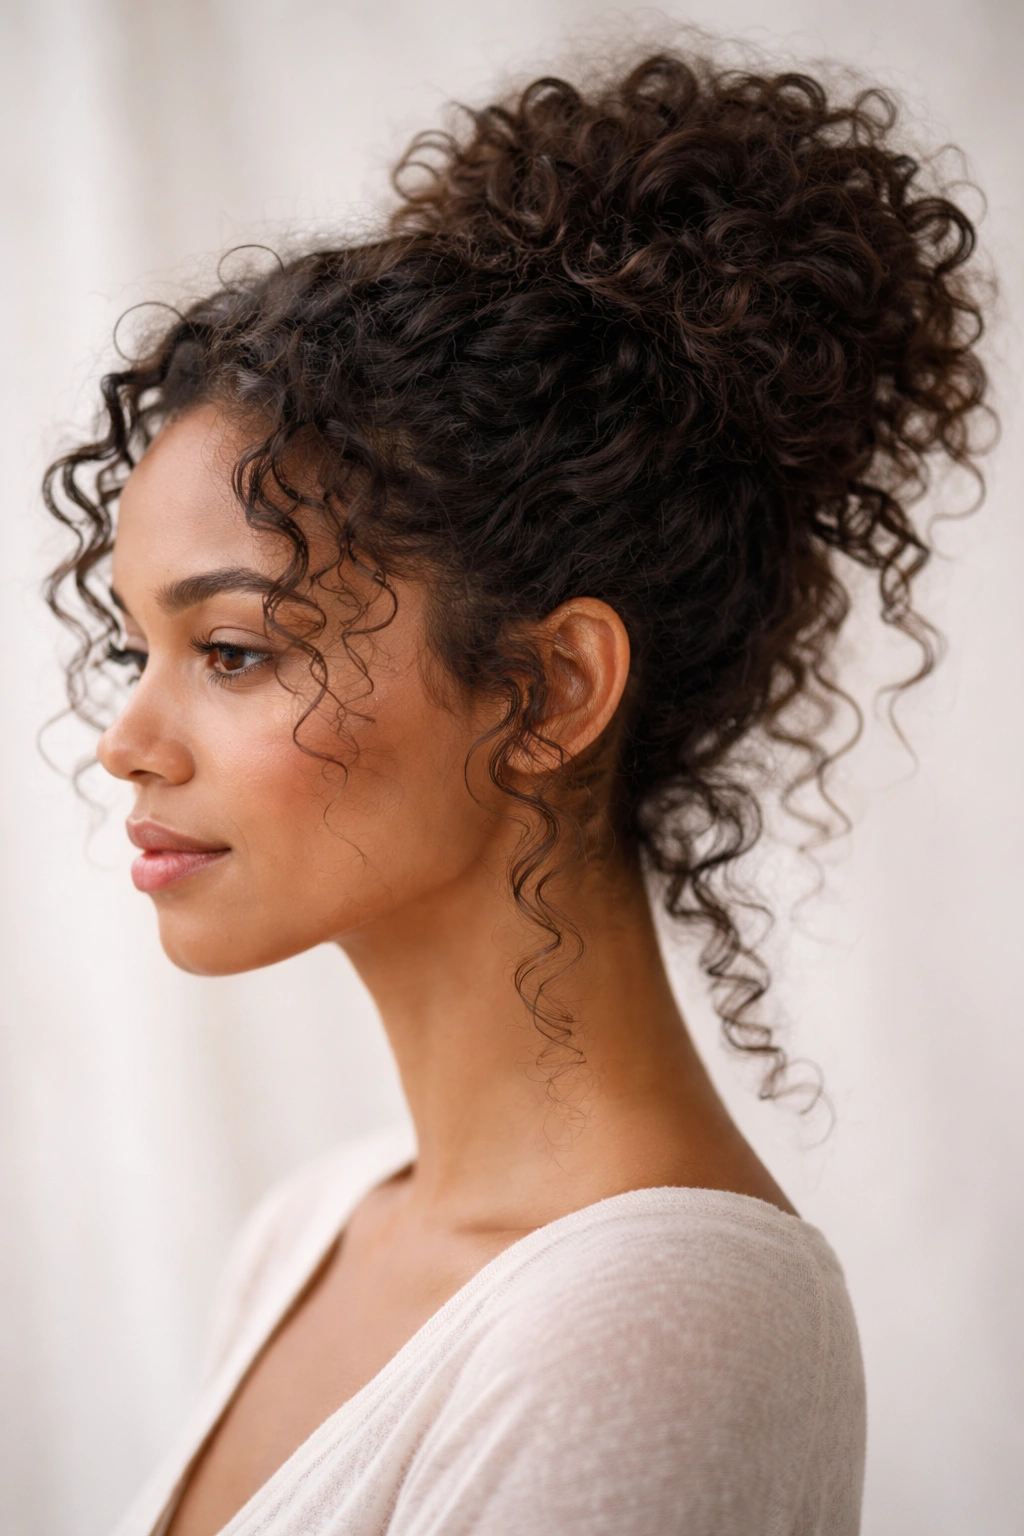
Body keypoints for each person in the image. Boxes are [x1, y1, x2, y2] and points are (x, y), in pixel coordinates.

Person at [44, 46, 988, 1536]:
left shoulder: (663, 1329)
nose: (128, 739)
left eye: (229, 650)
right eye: (134, 642)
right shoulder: (319, 1230)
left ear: (548, 692)